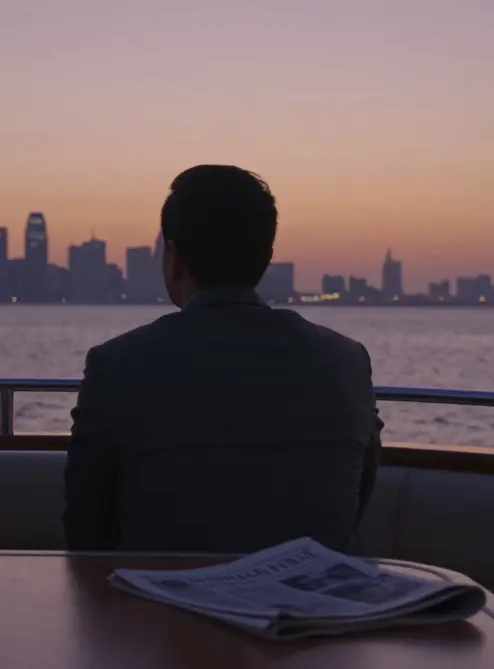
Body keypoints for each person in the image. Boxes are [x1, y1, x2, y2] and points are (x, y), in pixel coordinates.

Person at [63, 165, 383, 553]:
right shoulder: (347, 362)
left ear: (174, 257)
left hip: (155, 609)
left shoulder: (116, 366)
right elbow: (356, 500)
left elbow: (85, 530)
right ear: (265, 258)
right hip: (318, 609)